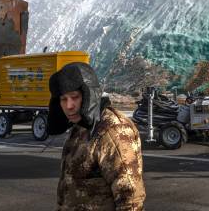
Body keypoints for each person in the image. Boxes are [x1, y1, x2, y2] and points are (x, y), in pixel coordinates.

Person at [48, 62, 145, 211]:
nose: (69, 106)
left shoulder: (113, 130)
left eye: (75, 97)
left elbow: (130, 199)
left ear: (90, 95)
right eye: (63, 99)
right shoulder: (80, 127)